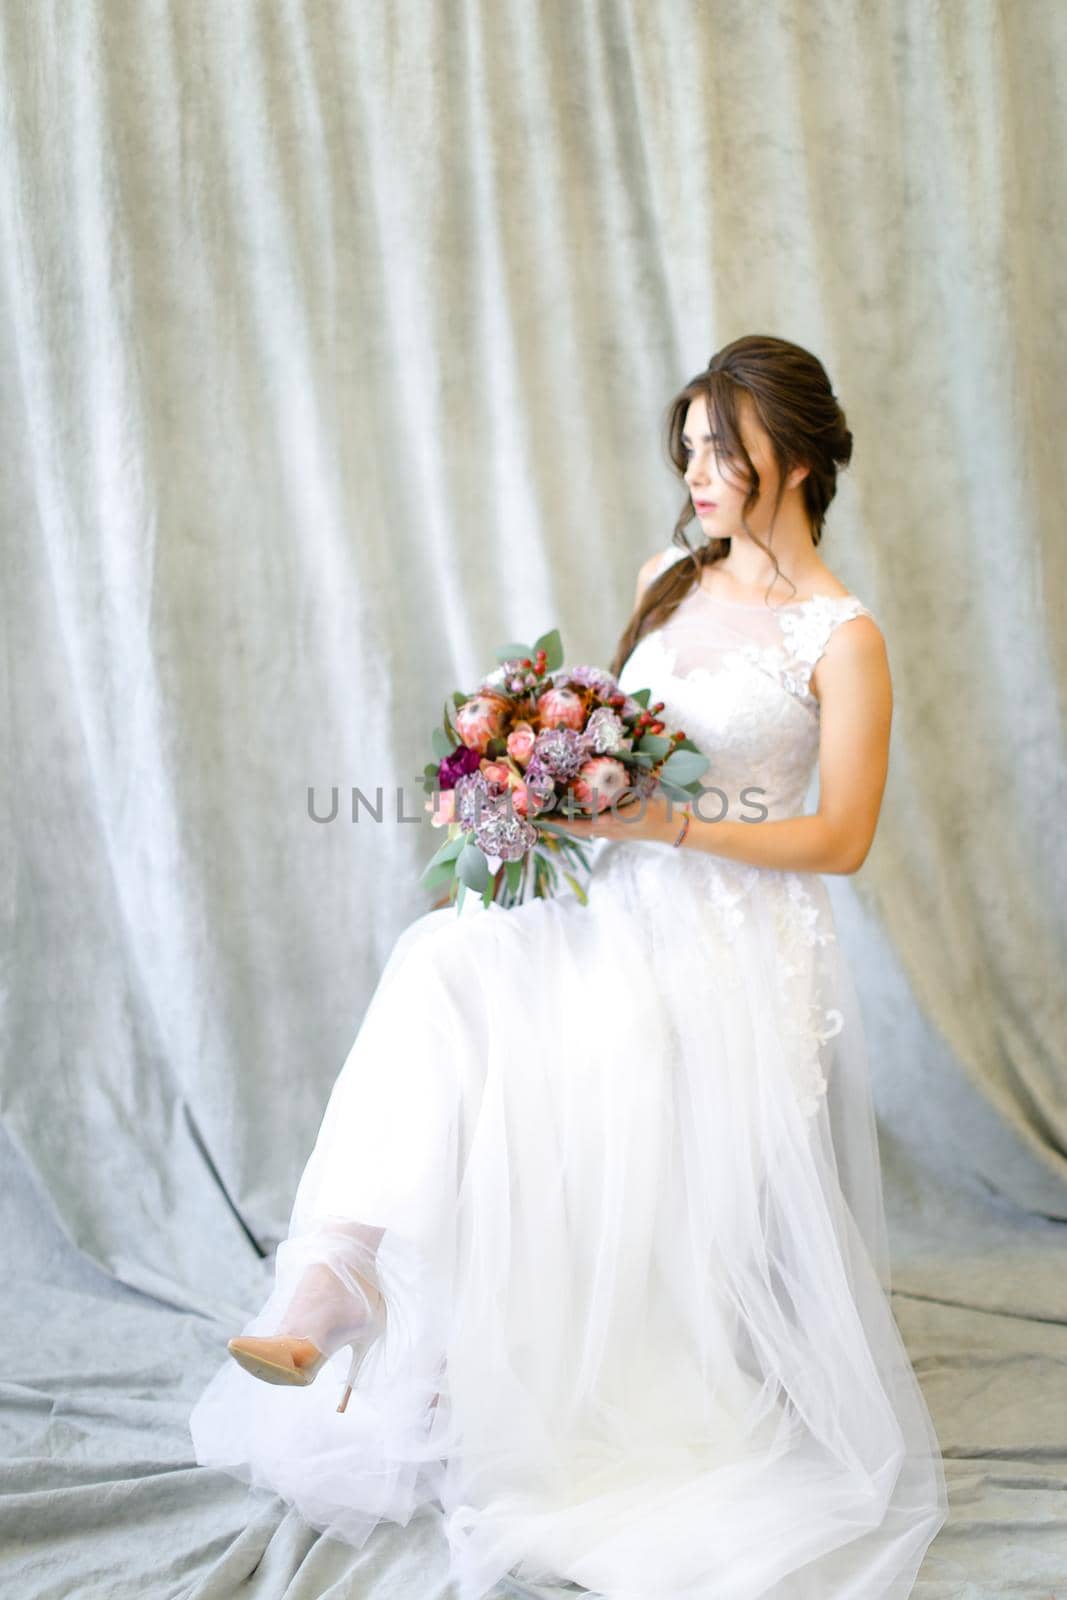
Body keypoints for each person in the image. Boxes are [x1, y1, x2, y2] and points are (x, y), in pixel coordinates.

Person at [189, 334, 948, 1598]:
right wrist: (528, 784)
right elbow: (622, 738)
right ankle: (343, 1271)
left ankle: (389, 1295)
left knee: (513, 1020)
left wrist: (670, 825)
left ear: (798, 459)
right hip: (615, 900)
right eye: (691, 446)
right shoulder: (668, 577)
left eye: (725, 449)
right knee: (442, 961)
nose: (698, 471)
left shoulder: (842, 634)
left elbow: (843, 836)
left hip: (735, 948)